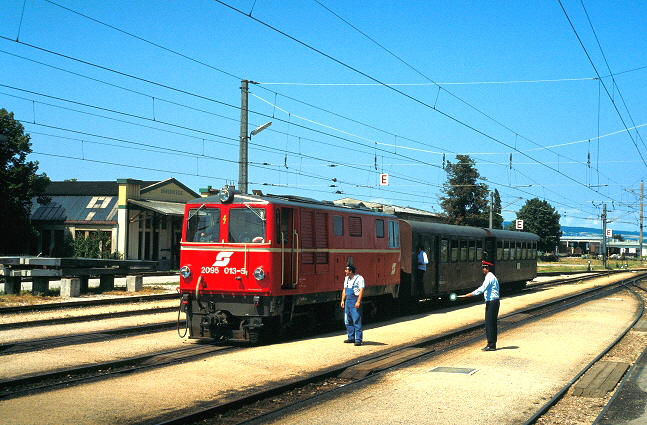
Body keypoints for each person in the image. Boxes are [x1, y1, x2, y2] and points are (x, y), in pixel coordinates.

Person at [460, 260, 500, 351]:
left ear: (487, 268)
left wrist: (472, 294)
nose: (482, 269)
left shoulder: (489, 277)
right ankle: (492, 343)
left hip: (492, 302)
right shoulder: (491, 277)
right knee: (492, 323)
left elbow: (483, 288)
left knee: (489, 323)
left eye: (483, 268)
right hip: (493, 302)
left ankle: (491, 344)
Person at [340, 264, 365, 346]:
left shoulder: (360, 278)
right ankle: (351, 338)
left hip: (355, 301)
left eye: (346, 270)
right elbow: (344, 290)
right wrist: (342, 300)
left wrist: (358, 301)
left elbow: (361, 290)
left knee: (356, 320)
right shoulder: (346, 279)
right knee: (348, 320)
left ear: (350, 271)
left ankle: (358, 339)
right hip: (348, 301)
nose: (345, 271)